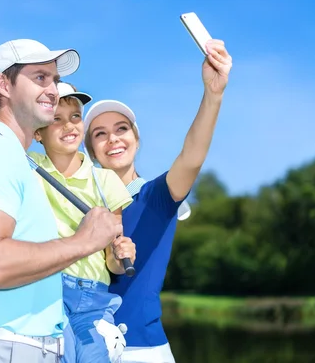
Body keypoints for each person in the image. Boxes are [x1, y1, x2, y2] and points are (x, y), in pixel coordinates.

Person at [0, 38, 125, 363]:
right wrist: (84, 241)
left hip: (34, 347)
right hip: (9, 348)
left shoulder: (12, 159)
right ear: (3, 83)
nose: (53, 89)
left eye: (54, 79)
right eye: (40, 78)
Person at [82, 38, 233, 362]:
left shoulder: (157, 195)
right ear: (91, 152)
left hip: (144, 350)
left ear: (136, 139)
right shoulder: (82, 205)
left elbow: (191, 158)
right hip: (88, 349)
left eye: (121, 129)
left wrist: (213, 94)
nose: (113, 139)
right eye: (100, 134)